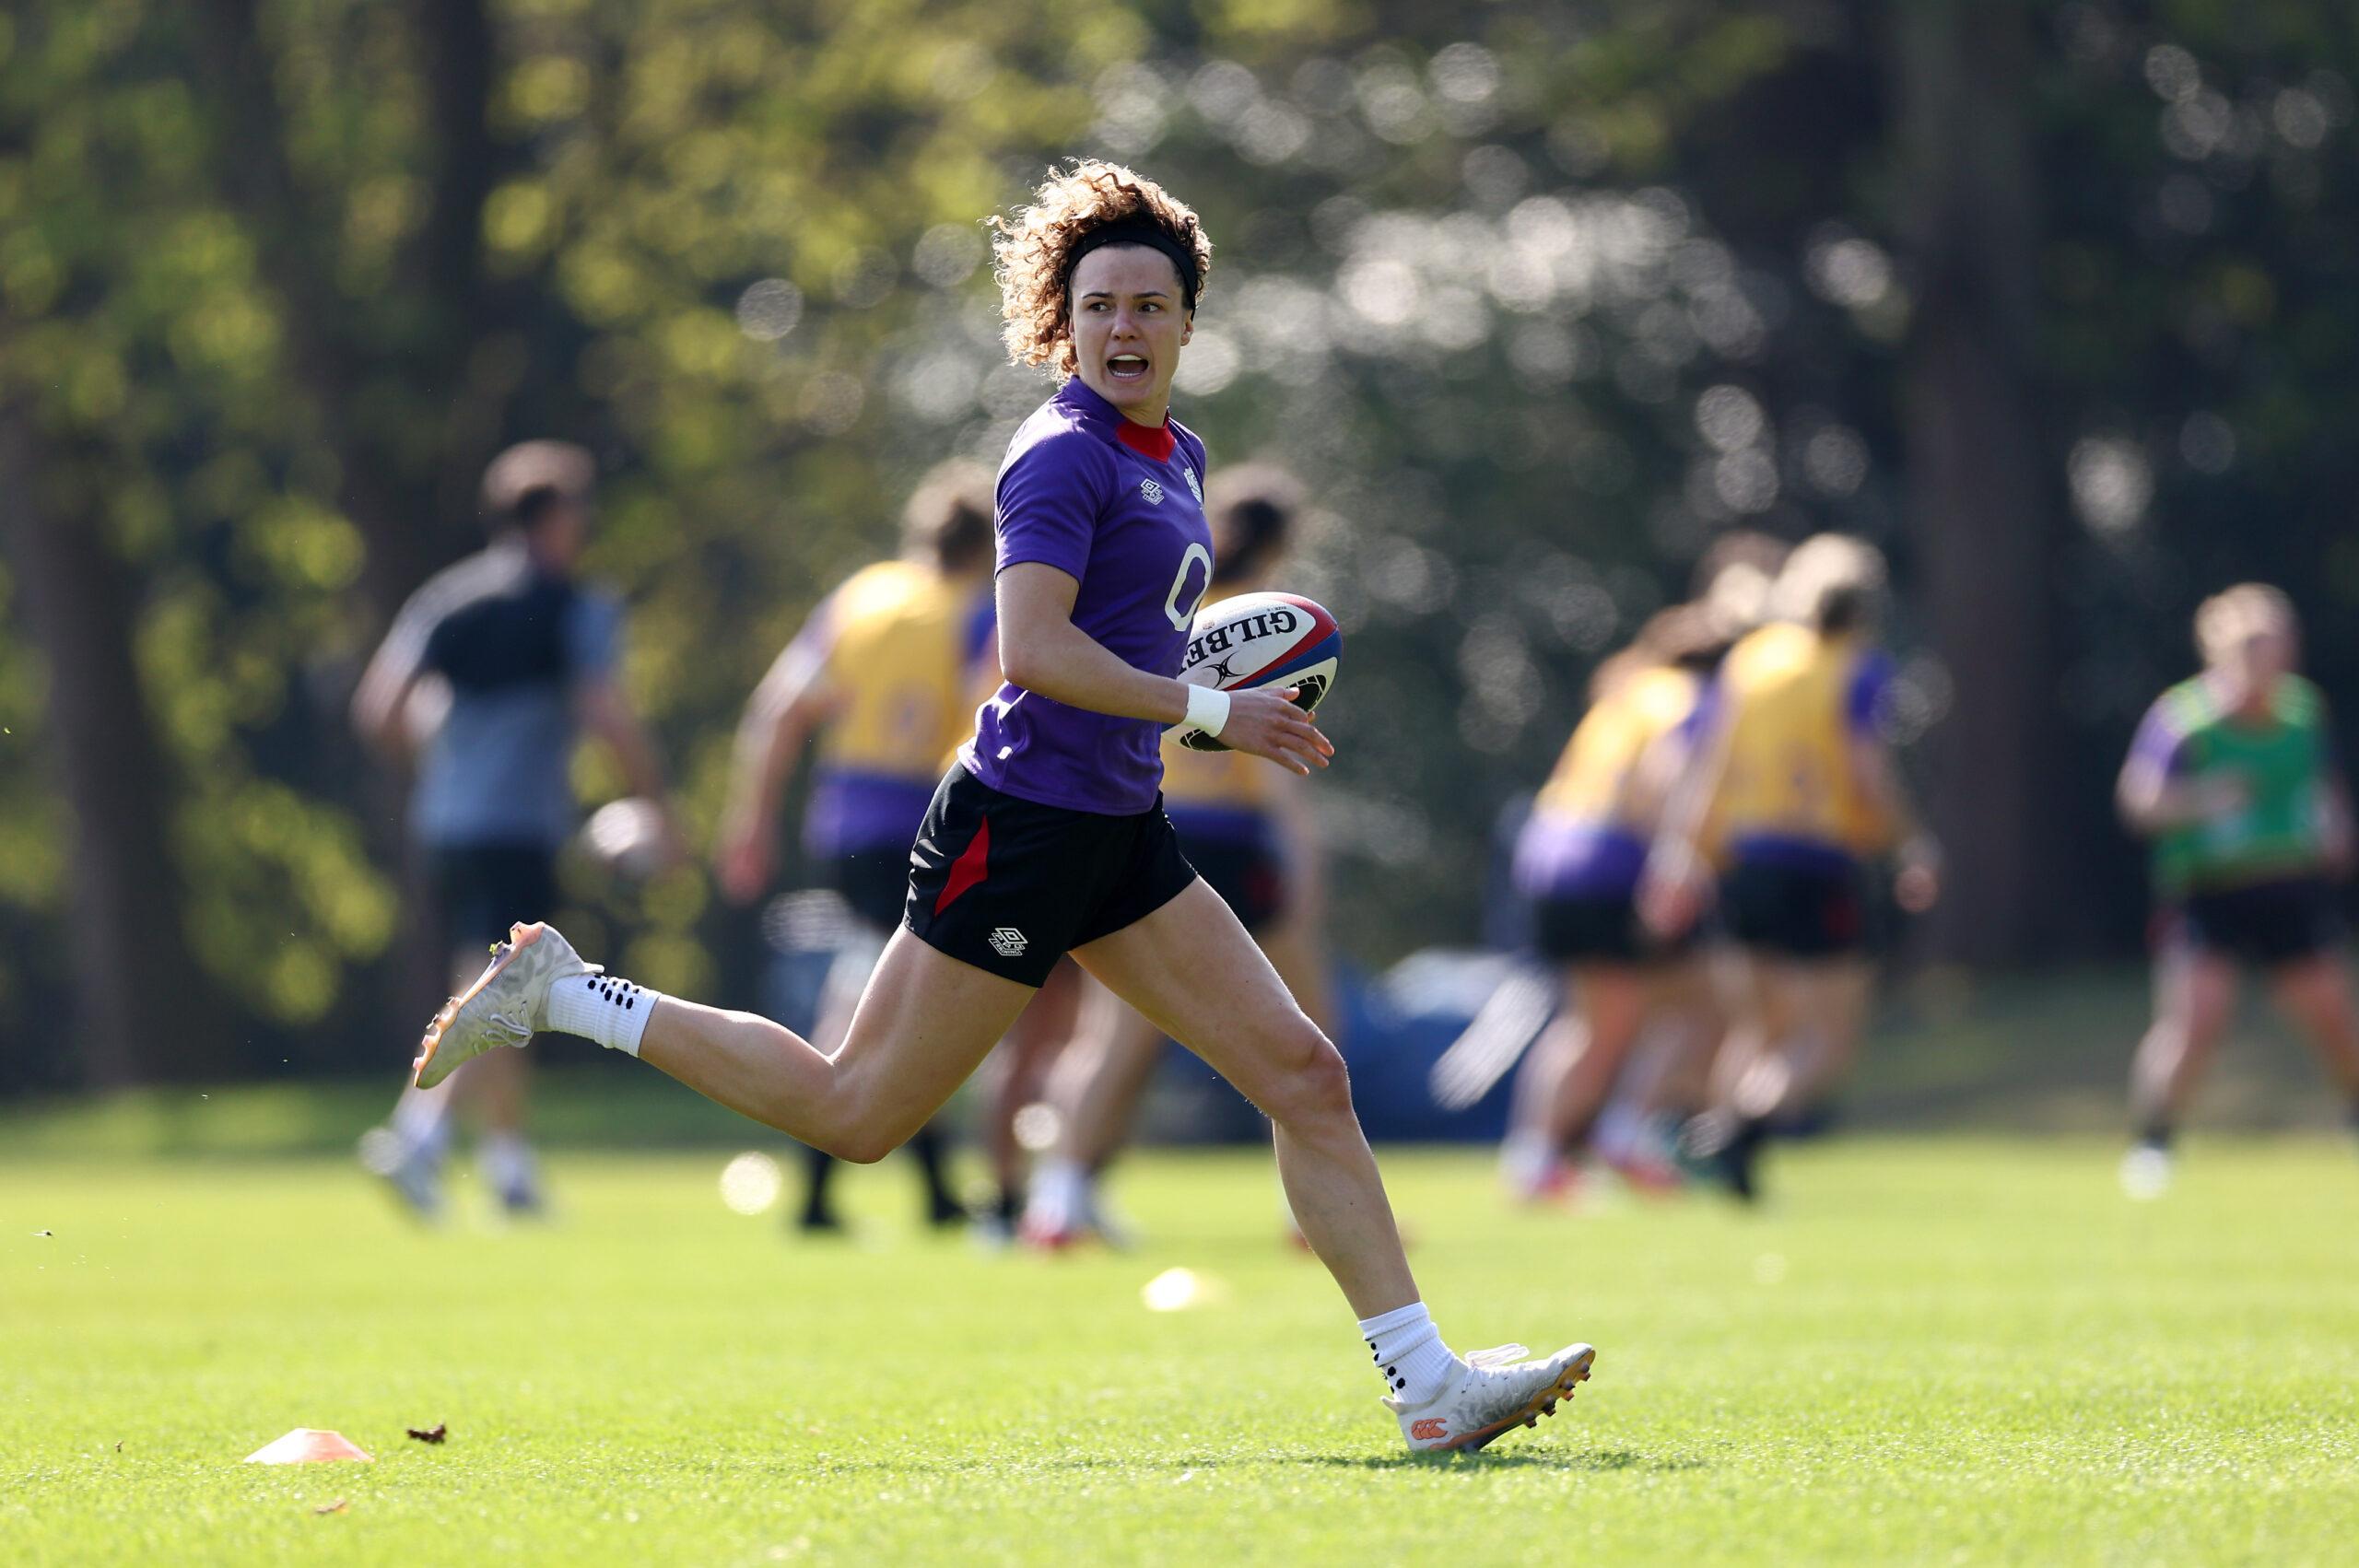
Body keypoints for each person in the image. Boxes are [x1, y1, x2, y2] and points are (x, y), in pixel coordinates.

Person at [411, 159, 1592, 1453]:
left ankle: (1427, 1386)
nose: (1125, 327)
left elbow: (1128, 632)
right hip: (1020, 826)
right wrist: (1210, 707)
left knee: (1306, 1072)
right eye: (1100, 306)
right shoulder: (1059, 455)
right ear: (1061, 322)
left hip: (1120, 826)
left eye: (1149, 305)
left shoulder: (1179, 454)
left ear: (1188, 321)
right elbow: (1032, 650)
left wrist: (1210, 681)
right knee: (857, 1112)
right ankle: (569, 994)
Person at [353, 440, 678, 1219]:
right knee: (503, 990)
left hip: (445, 823)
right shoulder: (573, 605)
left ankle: (507, 1166)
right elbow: (604, 710)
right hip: (517, 826)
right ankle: (417, 1137)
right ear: (555, 518)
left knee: (502, 988)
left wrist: (449, 759)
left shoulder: (447, 598)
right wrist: (656, 802)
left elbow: (381, 709)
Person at [1021, 467, 1334, 1248]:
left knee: (1120, 1033)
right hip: (1230, 834)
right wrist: (1303, 863)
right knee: (1308, 1029)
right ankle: (1315, 1211)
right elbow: (1276, 760)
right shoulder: (1269, 618)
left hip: (1146, 815)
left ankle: (1060, 1199)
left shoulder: (1165, 601)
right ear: (1281, 544)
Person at [715, 462, 999, 1234]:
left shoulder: (859, 599)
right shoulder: (977, 613)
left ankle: (929, 1193)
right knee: (884, 1003)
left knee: (894, 996)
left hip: (841, 826)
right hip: (924, 823)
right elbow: (988, 728)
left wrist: (751, 820)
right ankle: (830, 1188)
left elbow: (778, 711)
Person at [1639, 534, 1939, 1200]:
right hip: (1817, 862)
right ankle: (1736, 1134)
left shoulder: (1752, 660)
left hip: (1744, 864)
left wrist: (1680, 856)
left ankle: (1719, 1160)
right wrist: (1910, 843)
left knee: (1759, 1028)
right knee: (1828, 1038)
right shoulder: (1854, 666)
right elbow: (1867, 770)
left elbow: (1710, 769)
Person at [2115, 584, 2359, 1199]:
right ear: (2220, 649)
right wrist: (2201, 800)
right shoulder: (2184, 718)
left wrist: (2337, 828)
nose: (2267, 656)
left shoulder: (2303, 712)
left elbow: (2322, 785)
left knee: (2336, 1022)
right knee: (2195, 1023)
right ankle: (2154, 1141)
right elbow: (2139, 802)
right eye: (2252, 644)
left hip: (2288, 887)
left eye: (2277, 641)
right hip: (2208, 894)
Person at [1497, 605, 1722, 1203]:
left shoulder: (1627, 692)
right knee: (1685, 1009)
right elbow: (1662, 781)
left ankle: (1543, 1156)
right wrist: (1675, 862)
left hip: (1549, 855)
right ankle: (1615, 1139)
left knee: (1598, 1019)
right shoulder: (1691, 698)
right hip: (1608, 862)